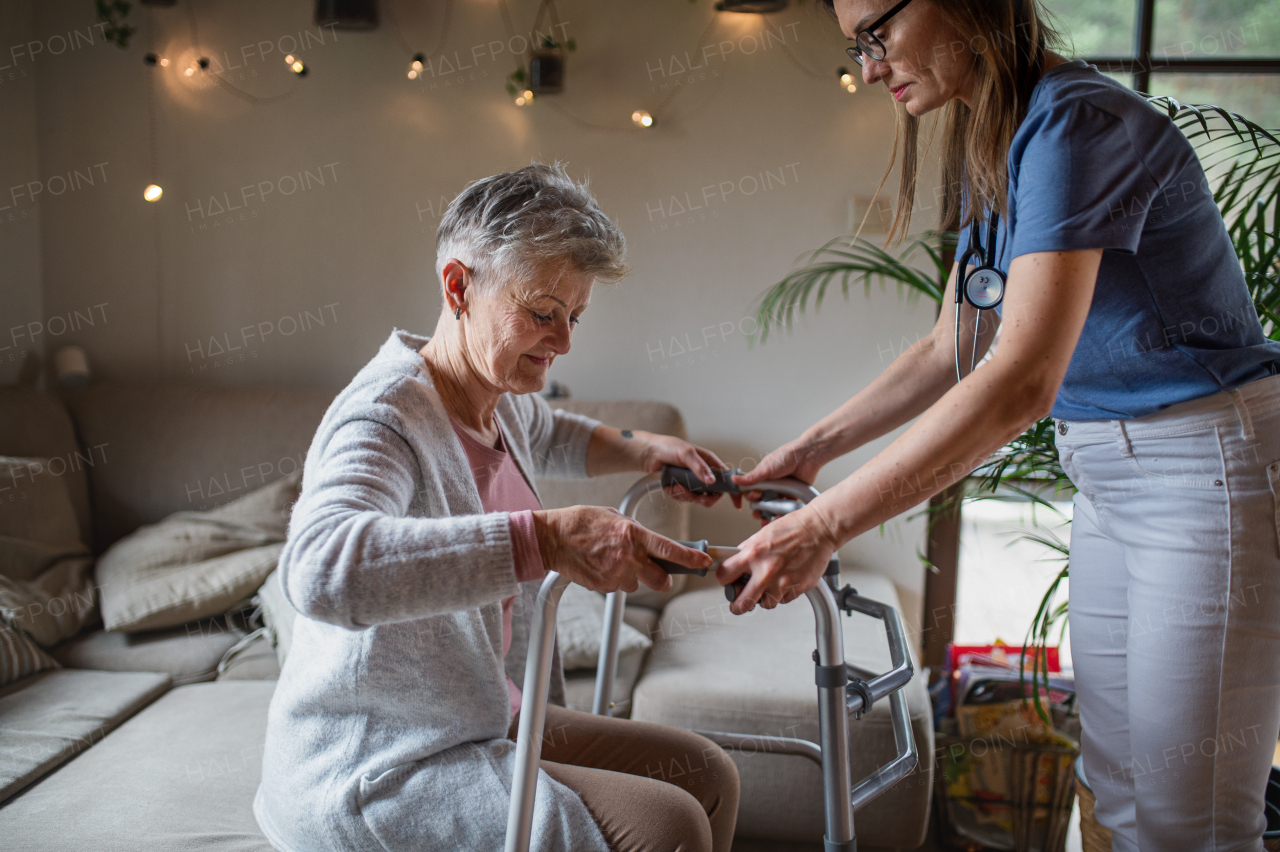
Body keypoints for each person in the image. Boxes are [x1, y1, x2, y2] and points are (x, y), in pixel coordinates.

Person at [722, 1, 1280, 849]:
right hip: (1107, 476)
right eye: (856, 47)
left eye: (876, 34)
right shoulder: (1005, 135)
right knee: (1117, 788)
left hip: (1203, 470)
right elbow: (952, 343)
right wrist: (809, 454)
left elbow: (1020, 378)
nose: (869, 68)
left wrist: (826, 523)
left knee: (1186, 819)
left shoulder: (1078, 124)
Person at [254, 163, 739, 852]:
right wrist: (541, 541)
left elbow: (554, 433)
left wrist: (645, 448)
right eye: (543, 313)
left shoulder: (499, 401)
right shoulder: (383, 417)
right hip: (382, 760)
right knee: (669, 824)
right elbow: (321, 567)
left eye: (574, 317)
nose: (565, 340)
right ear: (458, 287)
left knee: (704, 773)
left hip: (475, 715)